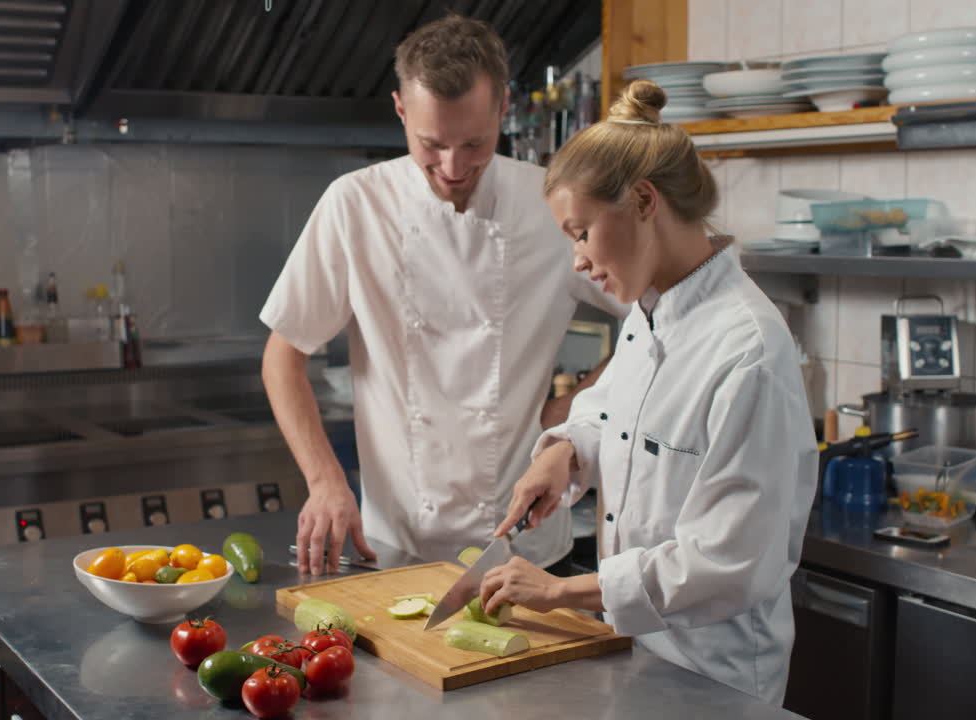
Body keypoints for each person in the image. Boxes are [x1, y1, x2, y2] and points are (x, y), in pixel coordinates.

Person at [478, 79, 818, 705]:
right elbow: (615, 412)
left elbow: (729, 561)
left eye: (580, 232)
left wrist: (561, 592)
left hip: (715, 679)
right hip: (637, 656)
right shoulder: (649, 312)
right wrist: (566, 453)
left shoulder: (748, 350)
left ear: (641, 200)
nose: (577, 260)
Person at [259, 15, 624, 576]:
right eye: (431, 144)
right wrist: (326, 480)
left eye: (475, 143)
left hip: (523, 547)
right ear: (401, 109)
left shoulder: (552, 202)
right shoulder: (355, 205)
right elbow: (284, 355)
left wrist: (578, 407)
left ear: (504, 107)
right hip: (395, 541)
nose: (453, 167)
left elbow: (657, 313)